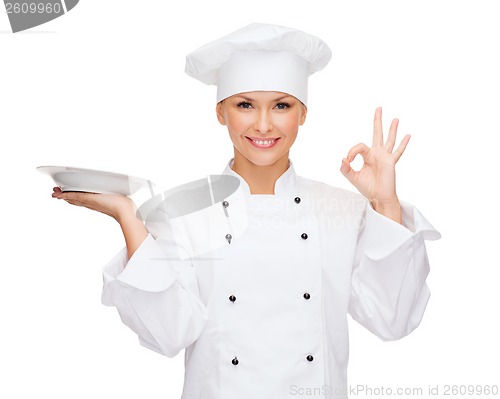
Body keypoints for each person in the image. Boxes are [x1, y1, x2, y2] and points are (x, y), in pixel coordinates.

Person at [51, 23, 440, 399]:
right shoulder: (183, 213)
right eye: (245, 105)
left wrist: (385, 203)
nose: (264, 124)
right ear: (221, 112)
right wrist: (128, 216)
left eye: (282, 105)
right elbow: (168, 333)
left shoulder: (340, 210)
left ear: (303, 113)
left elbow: (392, 320)